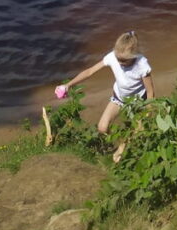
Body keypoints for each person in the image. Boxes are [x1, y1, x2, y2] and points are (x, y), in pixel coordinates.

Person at [54, 30, 154, 162]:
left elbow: (150, 92)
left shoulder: (142, 64)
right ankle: (122, 141)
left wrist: (148, 112)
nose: (120, 62)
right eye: (118, 59)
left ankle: (124, 147)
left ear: (134, 55)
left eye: (124, 60)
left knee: (138, 131)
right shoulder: (112, 57)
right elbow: (90, 71)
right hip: (119, 98)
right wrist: (68, 85)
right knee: (102, 128)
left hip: (138, 102)